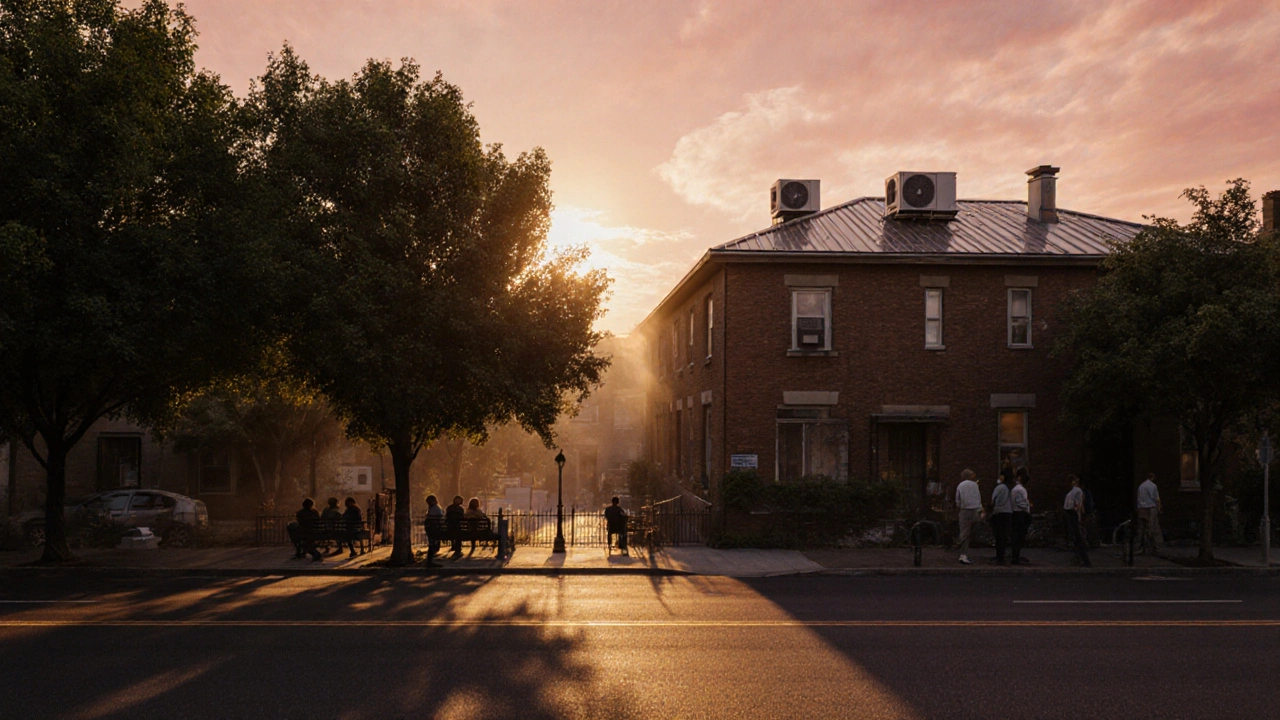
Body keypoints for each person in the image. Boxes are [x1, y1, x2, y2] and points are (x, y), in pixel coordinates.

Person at [955, 469, 982, 565]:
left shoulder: (961, 485)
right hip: (975, 509)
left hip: (965, 509)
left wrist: (960, 507)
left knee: (964, 531)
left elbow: (957, 499)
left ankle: (963, 553)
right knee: (971, 531)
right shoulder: (975, 485)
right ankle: (964, 550)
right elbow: (978, 497)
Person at [1064, 475, 1091, 567]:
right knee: (1076, 538)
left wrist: (1079, 516)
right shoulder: (1074, 491)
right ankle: (1080, 558)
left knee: (1078, 538)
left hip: (1073, 514)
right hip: (1072, 514)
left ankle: (1084, 560)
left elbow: (1078, 505)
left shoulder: (1077, 491)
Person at [1136, 473, 1163, 555]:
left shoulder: (1141, 486)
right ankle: (1154, 548)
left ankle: (1141, 547)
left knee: (1142, 528)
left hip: (1142, 508)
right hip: (1151, 508)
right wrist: (1159, 508)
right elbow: (1156, 498)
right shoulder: (1153, 486)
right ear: (1152, 477)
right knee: (1153, 528)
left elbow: (1139, 497)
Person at [990, 472, 1013, 564]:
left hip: (999, 512)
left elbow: (993, 501)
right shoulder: (1008, 488)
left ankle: (999, 557)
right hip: (1008, 513)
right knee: (1004, 535)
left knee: (999, 536)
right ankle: (1002, 555)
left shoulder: (999, 487)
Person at [1010, 468, 1032, 565]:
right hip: (1020, 513)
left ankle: (1015, 556)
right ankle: (1015, 557)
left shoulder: (1015, 489)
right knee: (1019, 536)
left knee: (1016, 536)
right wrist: (1027, 505)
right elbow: (1020, 502)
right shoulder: (1020, 489)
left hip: (1016, 513)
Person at [423, 494, 444, 567]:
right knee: (433, 543)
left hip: (433, 528)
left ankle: (430, 561)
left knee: (432, 543)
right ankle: (430, 561)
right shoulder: (437, 508)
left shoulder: (433, 509)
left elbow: (431, 519)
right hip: (435, 528)